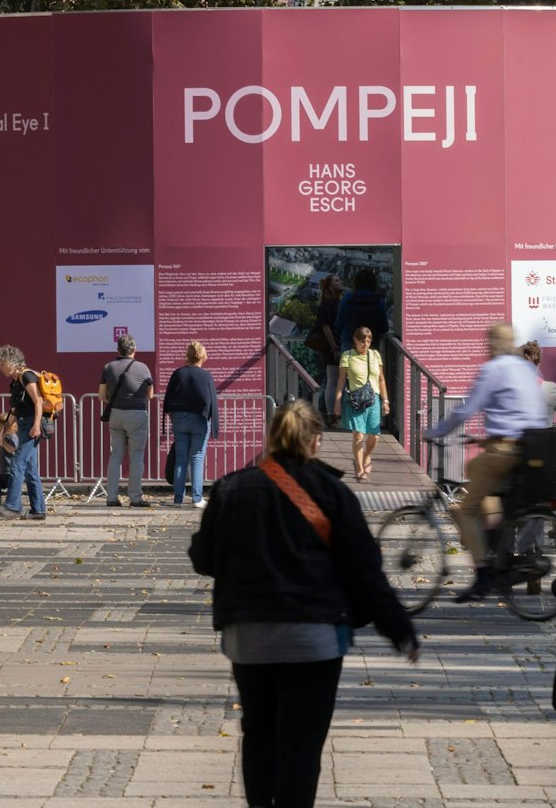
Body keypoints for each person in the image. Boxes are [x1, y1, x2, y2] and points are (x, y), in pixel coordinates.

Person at [188, 400, 419, 808]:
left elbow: (203, 559)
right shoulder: (333, 492)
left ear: (272, 437)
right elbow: (365, 570)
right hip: (314, 638)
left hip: (250, 636)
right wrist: (399, 629)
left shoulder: (231, 488)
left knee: (258, 734)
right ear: (315, 441)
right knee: (301, 744)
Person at [427, 323, 549, 601]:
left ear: (493, 344)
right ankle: (496, 534)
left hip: (505, 451)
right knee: (479, 474)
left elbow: (467, 409)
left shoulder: (493, 369)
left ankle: (482, 574)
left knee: (467, 508)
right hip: (532, 449)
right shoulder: (528, 370)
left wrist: (435, 431)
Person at [0, 345, 49, 521]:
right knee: (31, 469)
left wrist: (37, 425)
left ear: (12, 362)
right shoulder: (16, 382)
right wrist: (3, 433)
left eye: (2, 364)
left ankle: (13, 507)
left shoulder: (27, 376)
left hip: (32, 424)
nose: (1, 368)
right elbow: (15, 412)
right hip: (25, 423)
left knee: (17, 464)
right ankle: (38, 510)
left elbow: (38, 401)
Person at [99, 335, 155, 508]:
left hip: (116, 414)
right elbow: (150, 395)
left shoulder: (108, 367)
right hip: (137, 414)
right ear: (134, 350)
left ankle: (111, 497)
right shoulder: (143, 367)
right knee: (136, 455)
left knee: (115, 455)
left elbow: (102, 395)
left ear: (118, 350)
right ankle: (136, 498)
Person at [164, 341, 217, 509]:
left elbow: (168, 400)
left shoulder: (178, 374)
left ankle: (178, 499)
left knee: (181, 459)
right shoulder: (206, 375)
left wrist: (173, 416)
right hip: (199, 420)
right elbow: (211, 402)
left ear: (188, 355)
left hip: (179, 419)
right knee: (197, 458)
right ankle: (196, 498)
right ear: (202, 356)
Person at [332, 326, 388, 483]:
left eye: (369, 341)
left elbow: (381, 379)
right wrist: (337, 401)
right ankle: (359, 467)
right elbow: (341, 381)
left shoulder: (375, 355)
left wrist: (386, 400)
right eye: (362, 341)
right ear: (355, 340)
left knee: (375, 435)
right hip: (355, 400)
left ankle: (367, 455)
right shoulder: (347, 356)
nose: (366, 344)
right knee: (358, 435)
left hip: (373, 398)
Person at [310, 275, 344, 421]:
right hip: (334, 346)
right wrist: (334, 347)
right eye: (337, 280)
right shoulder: (328, 305)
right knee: (334, 380)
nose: (340, 282)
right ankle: (332, 414)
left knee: (334, 380)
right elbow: (326, 327)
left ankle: (334, 413)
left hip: (335, 345)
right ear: (330, 287)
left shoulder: (334, 303)